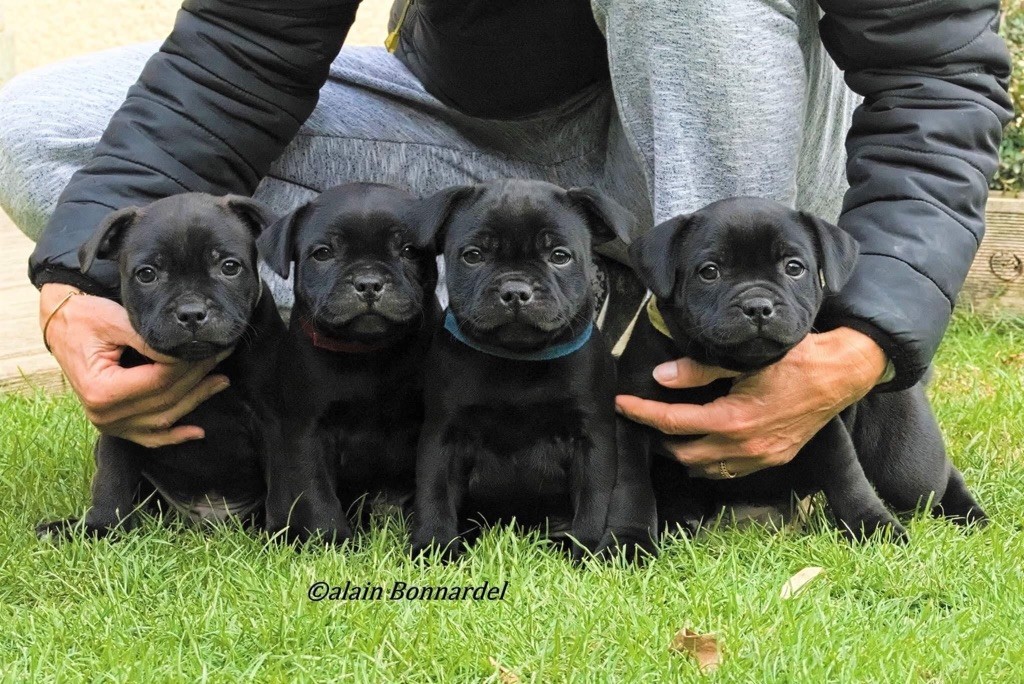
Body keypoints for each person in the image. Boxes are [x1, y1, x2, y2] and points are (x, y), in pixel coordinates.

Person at [0, 1, 1011, 476]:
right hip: (491, 138)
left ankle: (705, 389)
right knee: (39, 131)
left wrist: (873, 330)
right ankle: (412, 381)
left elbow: (937, 72)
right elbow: (243, 48)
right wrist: (73, 284)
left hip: (744, 127)